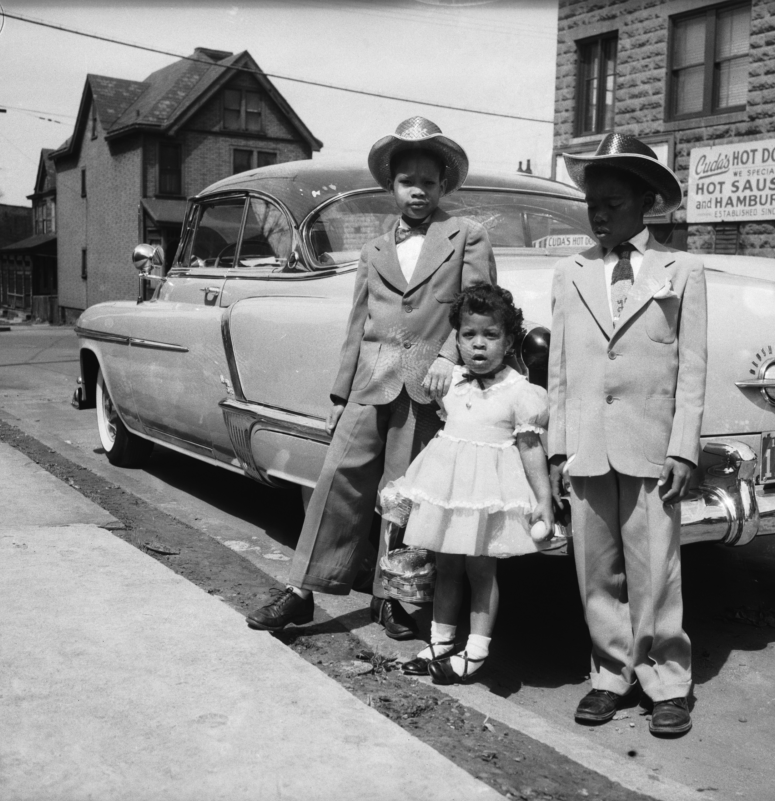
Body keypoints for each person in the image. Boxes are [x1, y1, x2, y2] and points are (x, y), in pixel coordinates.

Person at [246, 117, 497, 639]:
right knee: (337, 481)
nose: (419, 191)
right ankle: (300, 590)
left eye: (429, 182)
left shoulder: (467, 236)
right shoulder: (374, 249)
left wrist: (451, 357)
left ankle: (394, 598)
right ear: (392, 186)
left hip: (428, 383)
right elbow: (357, 323)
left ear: (444, 185)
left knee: (403, 492)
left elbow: (480, 308)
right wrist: (340, 392)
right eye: (409, 181)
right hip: (371, 379)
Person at [547, 133, 707, 736]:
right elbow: (560, 369)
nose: (600, 213)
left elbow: (692, 369)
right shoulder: (571, 272)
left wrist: (683, 447)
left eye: (614, 201)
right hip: (587, 443)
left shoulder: (683, 270)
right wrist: (559, 447)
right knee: (596, 570)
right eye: (593, 202)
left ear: (647, 202)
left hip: (651, 446)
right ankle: (610, 674)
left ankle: (667, 681)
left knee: (656, 569)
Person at [379, 283, 555, 683]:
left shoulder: (521, 392)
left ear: (509, 341)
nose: (478, 345)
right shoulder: (450, 383)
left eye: (490, 336)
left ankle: (476, 650)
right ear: (456, 338)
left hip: (487, 496)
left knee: (481, 571)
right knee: (446, 567)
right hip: (449, 492)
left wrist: (543, 499)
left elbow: (530, 450)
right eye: (468, 335)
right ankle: (441, 641)